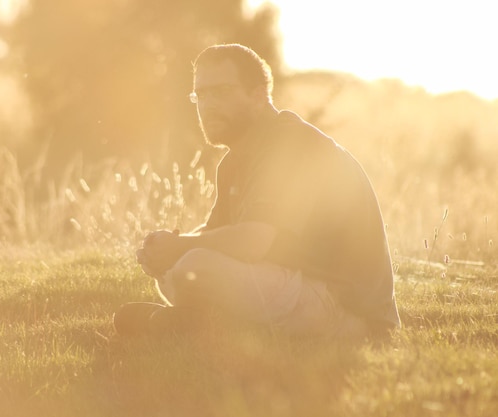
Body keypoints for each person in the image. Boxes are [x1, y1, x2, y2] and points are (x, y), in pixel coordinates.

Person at [113, 43, 400, 339]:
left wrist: (182, 247)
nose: (208, 105)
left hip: (347, 309)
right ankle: (204, 328)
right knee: (179, 266)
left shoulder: (292, 143)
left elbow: (253, 242)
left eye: (221, 92)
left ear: (258, 95)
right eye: (201, 95)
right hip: (288, 286)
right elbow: (216, 235)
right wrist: (165, 249)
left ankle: (198, 327)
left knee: (195, 265)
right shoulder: (234, 161)